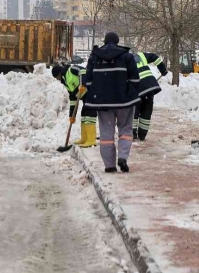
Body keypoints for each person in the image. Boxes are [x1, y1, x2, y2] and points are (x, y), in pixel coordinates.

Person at [83, 32, 141, 173]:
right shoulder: (127, 56)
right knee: (126, 130)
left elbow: (88, 81)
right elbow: (135, 79)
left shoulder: (95, 57)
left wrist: (96, 95)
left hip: (103, 104)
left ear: (104, 41)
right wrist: (130, 93)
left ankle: (109, 165)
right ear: (117, 41)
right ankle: (122, 157)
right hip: (124, 103)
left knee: (106, 134)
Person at [51, 63, 95, 147]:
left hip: (92, 90)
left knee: (89, 115)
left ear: (59, 73)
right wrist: (72, 115)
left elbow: (82, 72)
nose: (57, 79)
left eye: (57, 77)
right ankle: (84, 139)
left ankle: (91, 140)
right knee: (84, 115)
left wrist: (83, 84)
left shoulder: (71, 69)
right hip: (86, 96)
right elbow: (73, 98)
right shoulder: (65, 82)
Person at [132, 50, 168, 141]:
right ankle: (142, 134)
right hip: (149, 87)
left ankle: (132, 134)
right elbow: (155, 57)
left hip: (137, 89)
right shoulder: (141, 55)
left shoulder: (124, 61)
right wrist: (163, 69)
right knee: (146, 111)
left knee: (133, 112)